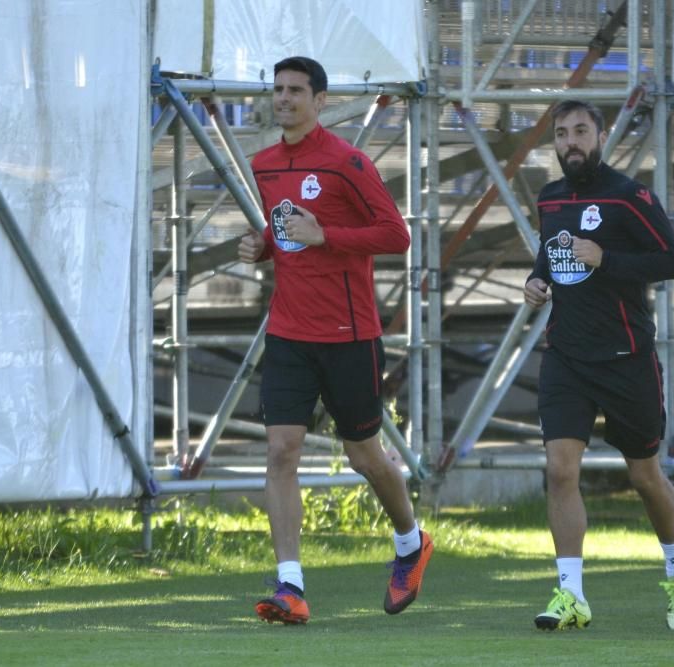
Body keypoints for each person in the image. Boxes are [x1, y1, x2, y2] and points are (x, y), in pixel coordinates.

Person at [238, 56, 432, 625]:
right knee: (281, 451)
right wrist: (262, 246)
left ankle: (410, 543)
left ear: (320, 101)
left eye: (296, 90)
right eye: (277, 90)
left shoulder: (348, 163)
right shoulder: (264, 164)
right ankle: (290, 587)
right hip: (288, 332)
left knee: (364, 455)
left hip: (350, 334)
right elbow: (283, 231)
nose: (284, 99)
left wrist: (326, 234)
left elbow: (395, 235)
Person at [523, 100, 674, 631]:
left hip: (626, 358)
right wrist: (537, 282)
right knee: (559, 470)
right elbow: (551, 258)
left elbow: (673, 263)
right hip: (566, 358)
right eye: (562, 133)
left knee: (644, 476)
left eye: (581, 131)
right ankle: (570, 593)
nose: (571, 141)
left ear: (600, 136)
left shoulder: (630, 196)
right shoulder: (549, 199)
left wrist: (607, 259)